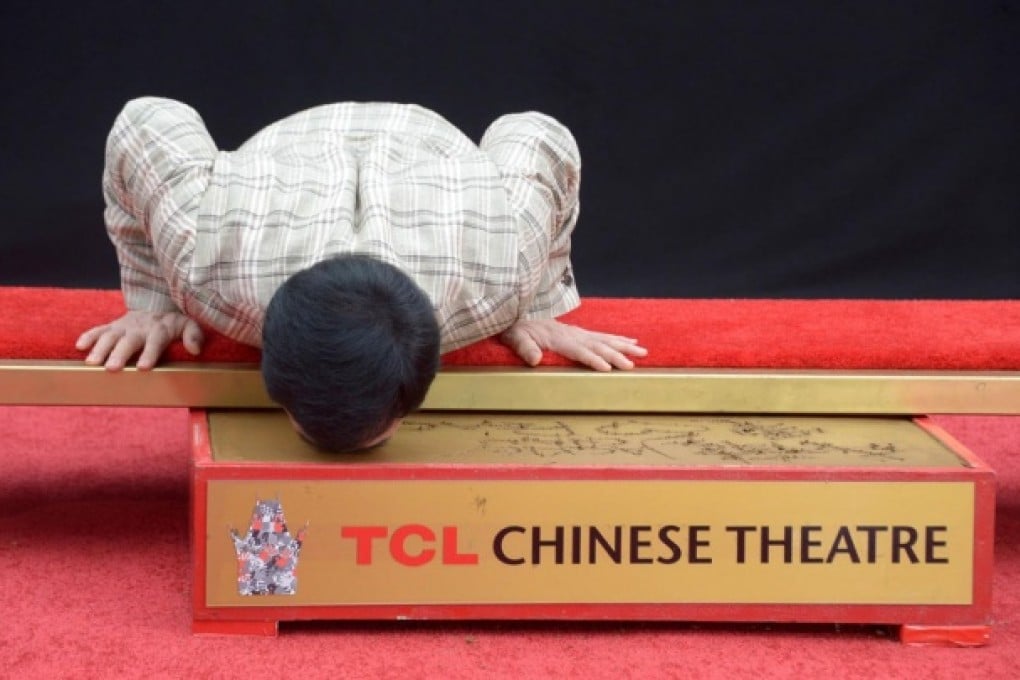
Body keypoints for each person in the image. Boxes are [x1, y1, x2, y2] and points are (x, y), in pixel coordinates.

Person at [77, 97, 647, 451]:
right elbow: (535, 132)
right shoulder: (202, 264)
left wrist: (536, 299)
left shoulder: (503, 267)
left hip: (422, 159)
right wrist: (155, 299)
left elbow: (541, 134)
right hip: (289, 160)